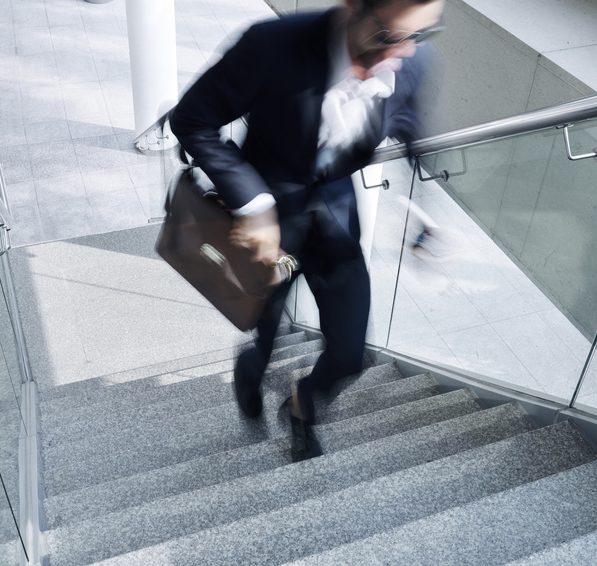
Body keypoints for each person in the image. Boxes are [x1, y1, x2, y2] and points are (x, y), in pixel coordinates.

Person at [171, 0, 446, 461]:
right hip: (268, 227)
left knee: (349, 353)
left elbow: (411, 127)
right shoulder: (271, 44)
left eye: (417, 36)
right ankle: (251, 367)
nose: (399, 54)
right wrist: (254, 204)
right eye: (387, 37)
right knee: (265, 322)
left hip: (336, 219)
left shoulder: (411, 57)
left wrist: (422, 217)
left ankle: (302, 405)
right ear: (352, 7)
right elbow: (192, 119)